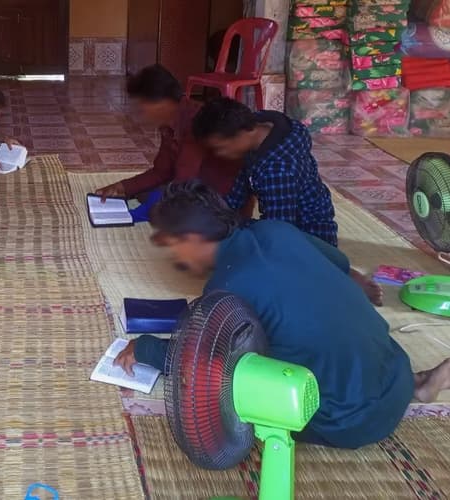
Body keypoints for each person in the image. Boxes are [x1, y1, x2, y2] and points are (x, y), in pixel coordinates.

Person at [113, 181, 450, 449]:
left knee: (230, 390)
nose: (176, 258)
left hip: (349, 422)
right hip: (397, 373)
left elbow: (203, 364)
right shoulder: (275, 230)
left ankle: (400, 393)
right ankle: (418, 386)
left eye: (174, 247)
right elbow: (340, 264)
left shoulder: (226, 289)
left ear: (191, 239)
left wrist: (144, 348)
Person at [192, 97, 383, 305]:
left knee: (267, 275)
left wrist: (231, 237)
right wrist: (218, 216)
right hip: (294, 221)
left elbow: (278, 233)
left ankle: (343, 275)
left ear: (244, 132)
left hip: (308, 234)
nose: (218, 155)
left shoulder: (277, 170)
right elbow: (241, 187)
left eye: (220, 148)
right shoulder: (262, 128)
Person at [94, 65, 244, 204]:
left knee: (158, 205)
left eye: (143, 107)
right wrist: (122, 187)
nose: (141, 114)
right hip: (191, 185)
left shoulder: (196, 122)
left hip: (220, 197)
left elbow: (185, 182)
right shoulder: (169, 125)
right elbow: (161, 172)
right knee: (143, 194)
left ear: (161, 103)